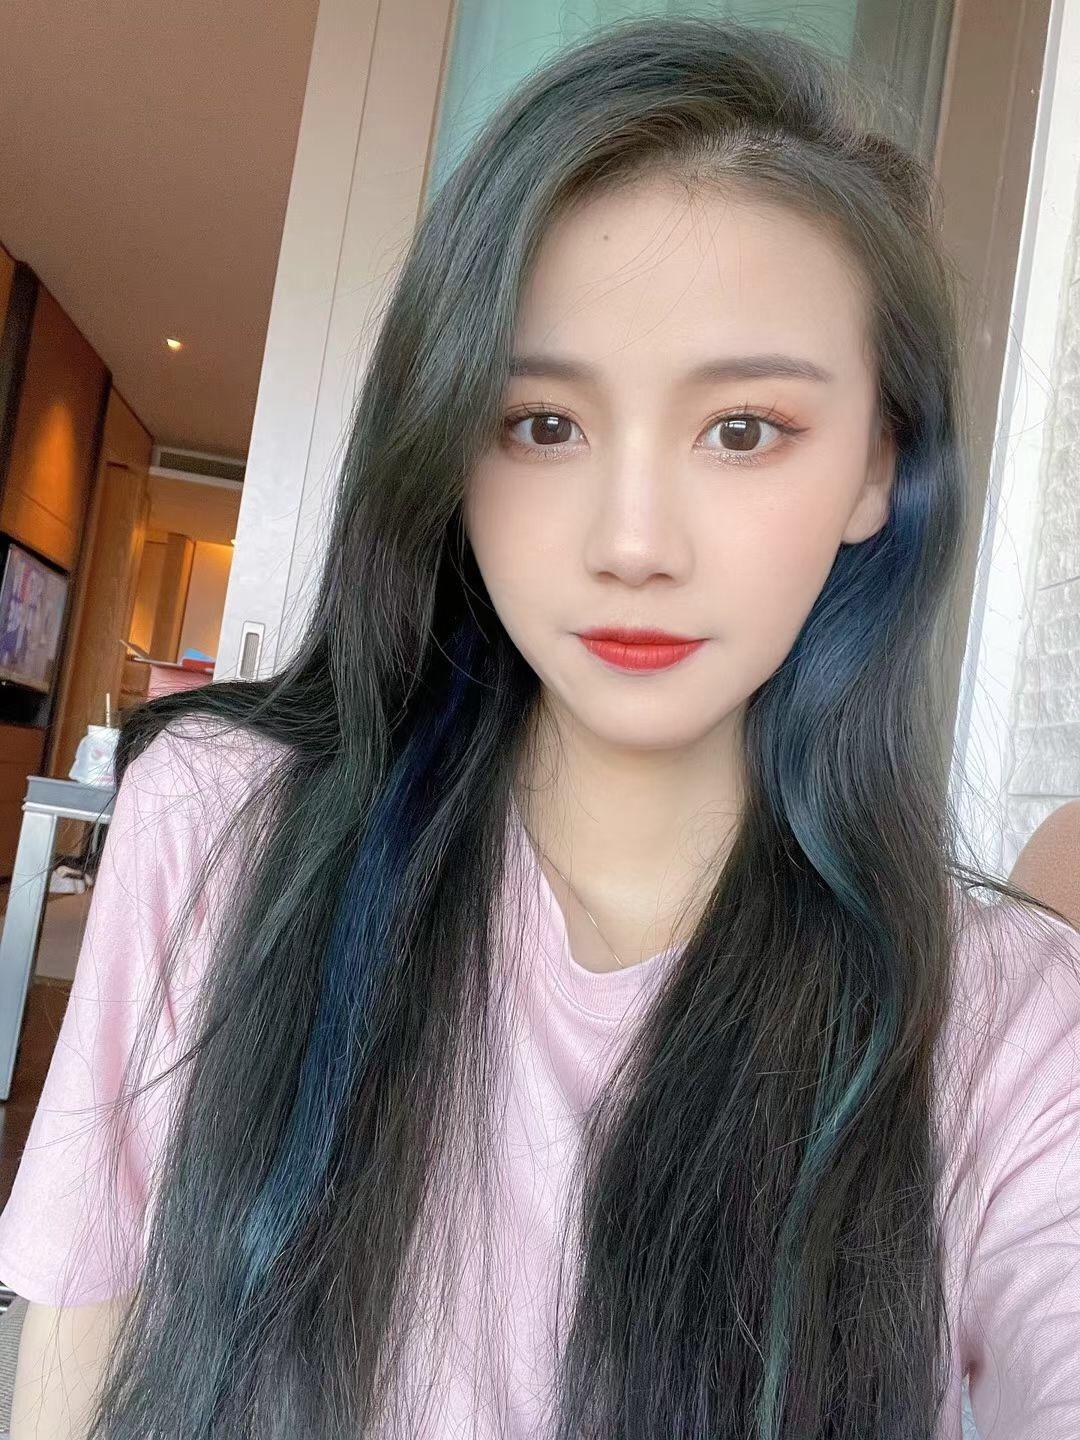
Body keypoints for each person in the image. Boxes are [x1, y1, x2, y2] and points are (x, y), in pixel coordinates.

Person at [2, 16, 1079, 1440]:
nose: (632, 544)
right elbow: (74, 1365)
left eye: (745, 429)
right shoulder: (221, 826)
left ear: (878, 466)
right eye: (543, 425)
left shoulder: (1002, 1024)